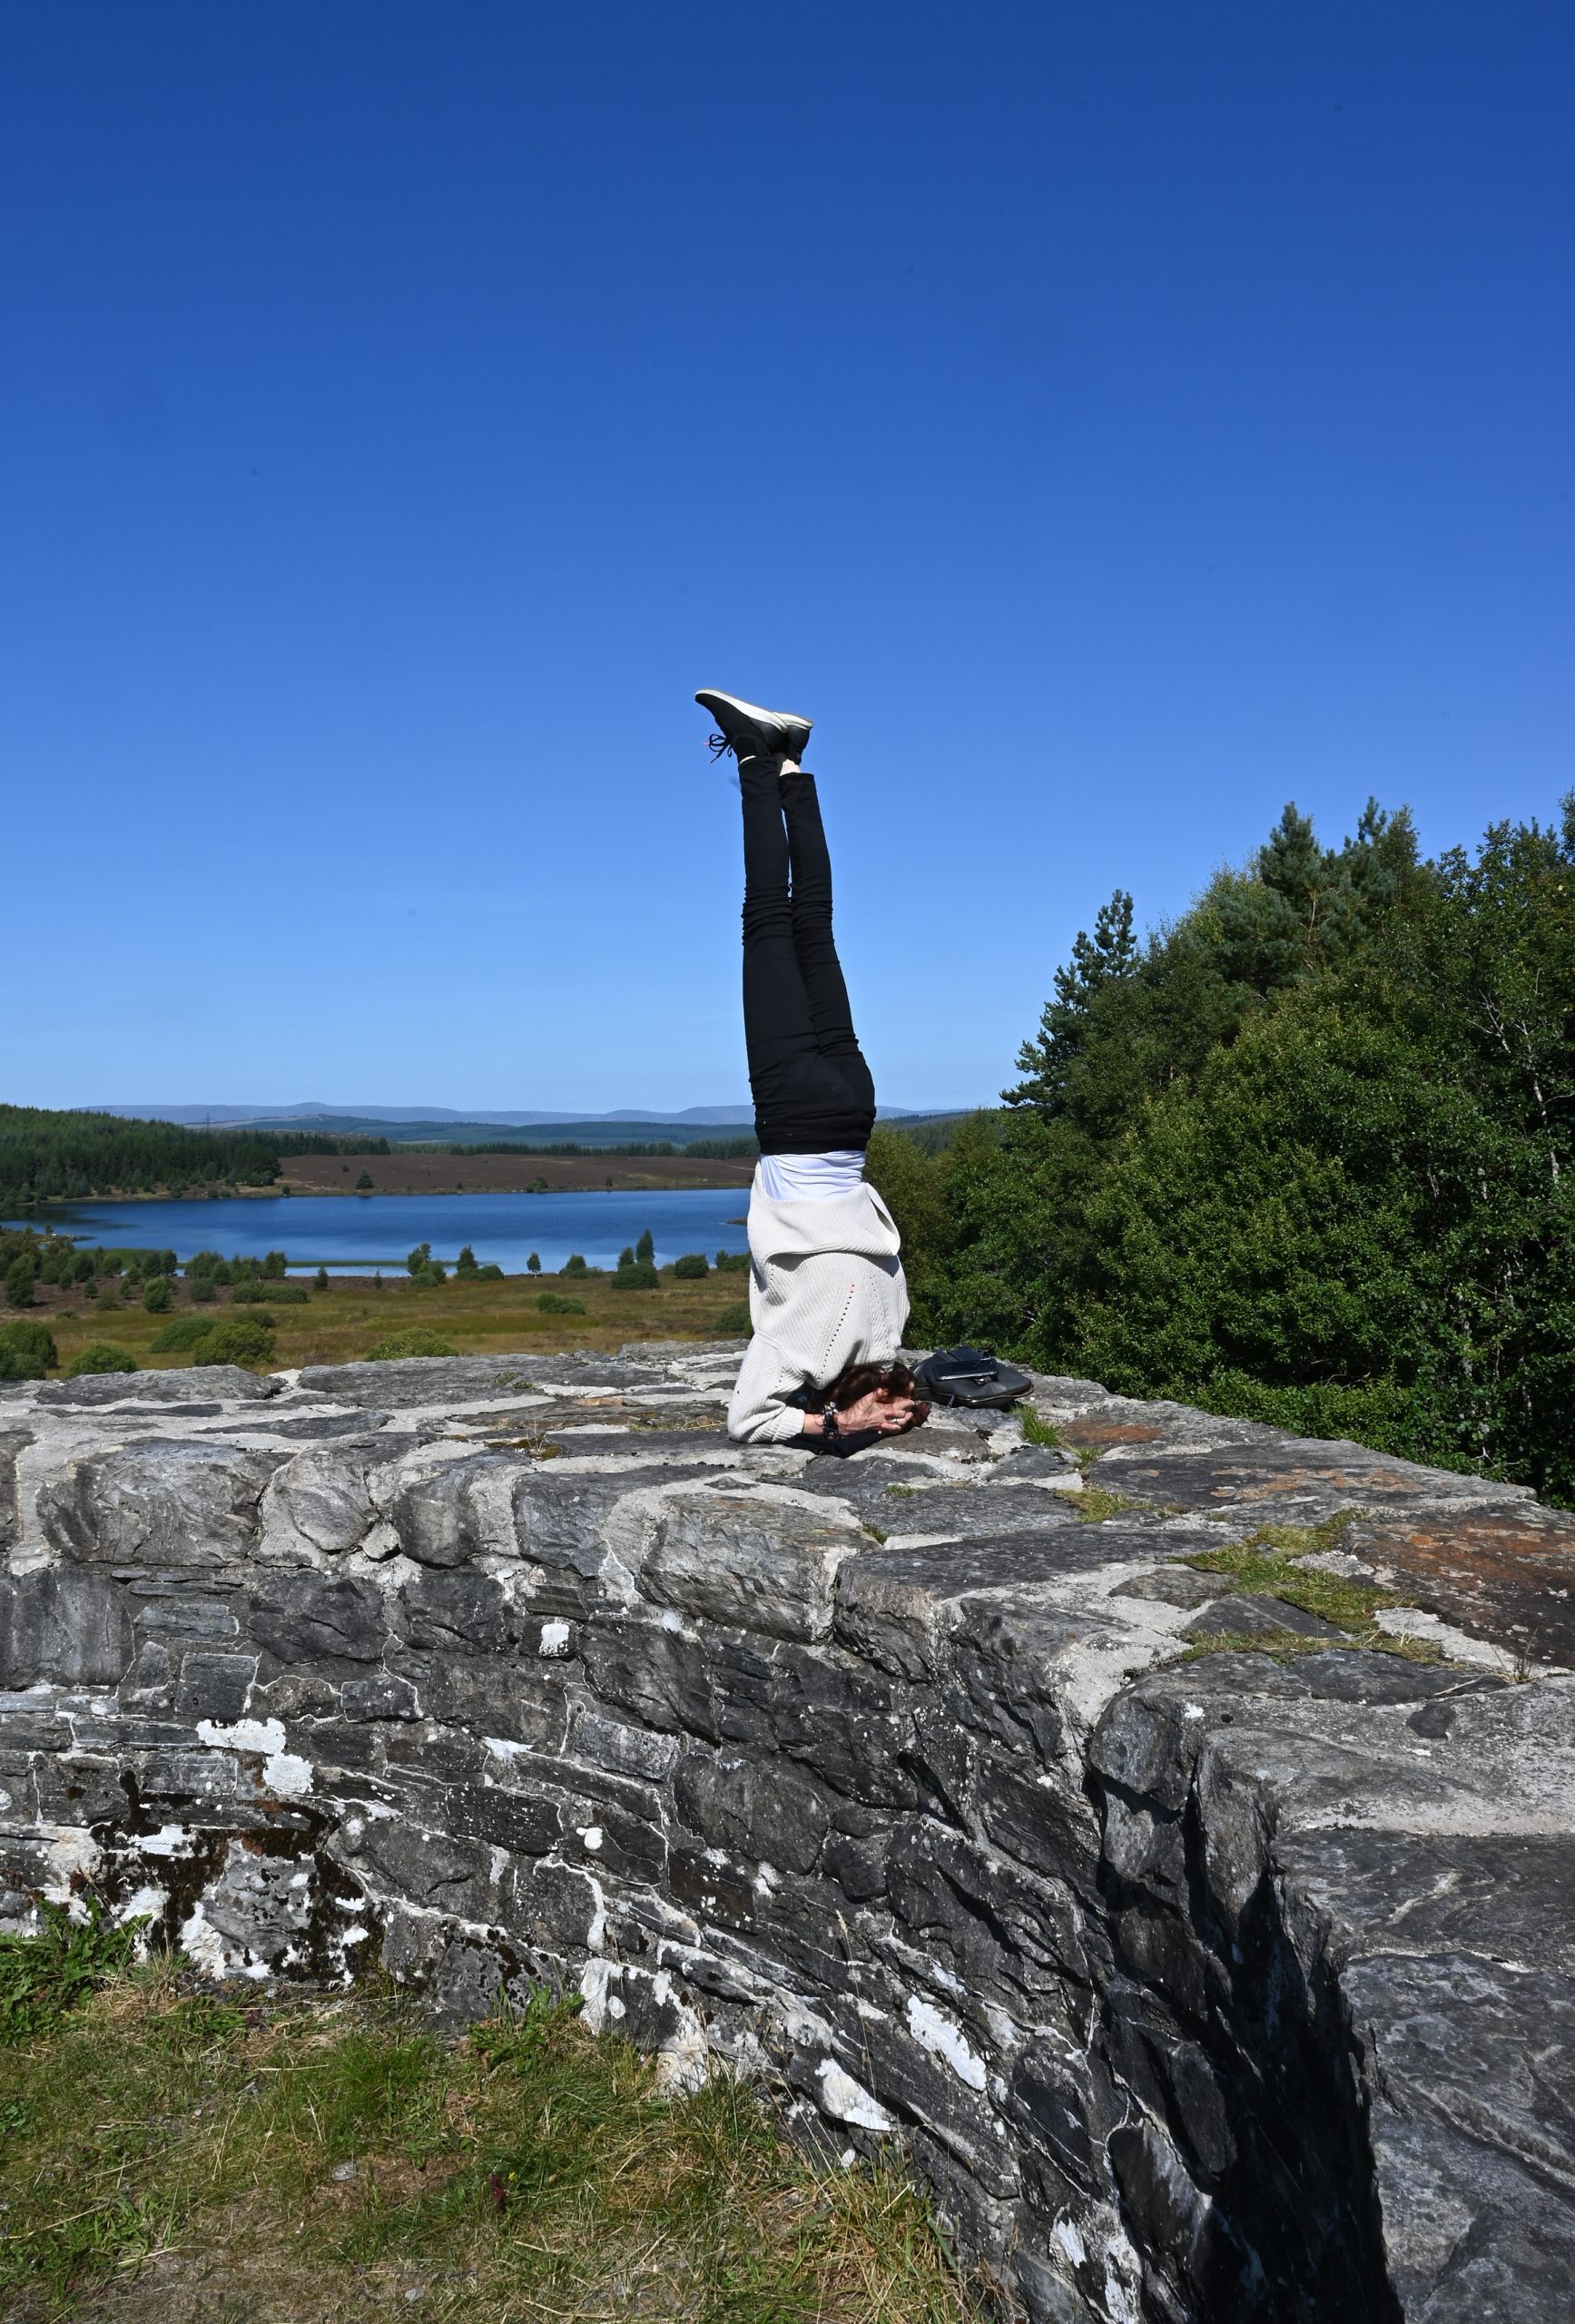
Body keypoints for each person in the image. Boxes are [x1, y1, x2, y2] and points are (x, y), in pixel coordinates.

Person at [697, 688, 930, 1451]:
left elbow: (857, 1377)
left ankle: (791, 764)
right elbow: (749, 1418)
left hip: (852, 1111)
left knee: (814, 925)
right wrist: (835, 1421)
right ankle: (752, 756)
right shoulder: (817, 1342)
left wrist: (868, 1402)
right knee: (767, 918)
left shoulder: (888, 1327)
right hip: (795, 1115)